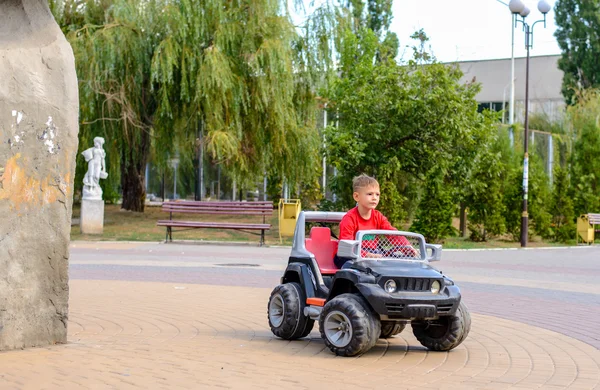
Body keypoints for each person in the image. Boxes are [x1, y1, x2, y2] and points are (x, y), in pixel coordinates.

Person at [334, 174, 415, 268]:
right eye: (370, 194)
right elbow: (347, 244)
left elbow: (393, 234)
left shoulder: (378, 216)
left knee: (396, 263)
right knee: (360, 268)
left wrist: (407, 247)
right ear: (356, 197)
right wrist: (366, 255)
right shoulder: (350, 218)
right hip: (347, 254)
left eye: (377, 194)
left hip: (372, 253)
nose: (374, 198)